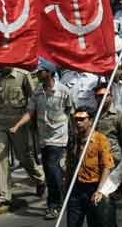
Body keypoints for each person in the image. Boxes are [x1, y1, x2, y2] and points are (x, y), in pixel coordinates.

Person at [10, 58, 70, 219]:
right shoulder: (37, 92)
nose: (37, 74)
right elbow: (30, 112)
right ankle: (61, 197)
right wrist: (17, 126)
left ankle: (54, 204)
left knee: (51, 169)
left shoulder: (63, 91)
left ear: (49, 73)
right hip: (43, 138)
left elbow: (70, 111)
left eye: (40, 71)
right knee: (52, 172)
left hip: (59, 138)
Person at [0, 66, 45, 207]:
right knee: (2, 159)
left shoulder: (23, 76)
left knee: (23, 157)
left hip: (18, 122)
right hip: (0, 122)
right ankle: (4, 196)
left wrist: (32, 121)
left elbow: (33, 99)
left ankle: (40, 178)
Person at [66, 107, 116, 227]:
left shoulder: (100, 140)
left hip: (94, 188)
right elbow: (69, 164)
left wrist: (99, 191)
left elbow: (107, 167)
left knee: (95, 223)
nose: (78, 122)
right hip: (76, 188)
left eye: (82, 119)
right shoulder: (73, 139)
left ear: (90, 121)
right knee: (73, 223)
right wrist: (67, 187)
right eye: (76, 119)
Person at [93, 84, 122, 164]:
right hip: (94, 156)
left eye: (105, 95)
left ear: (111, 96)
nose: (103, 98)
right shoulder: (92, 115)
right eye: (99, 96)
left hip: (113, 156)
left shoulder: (119, 115)